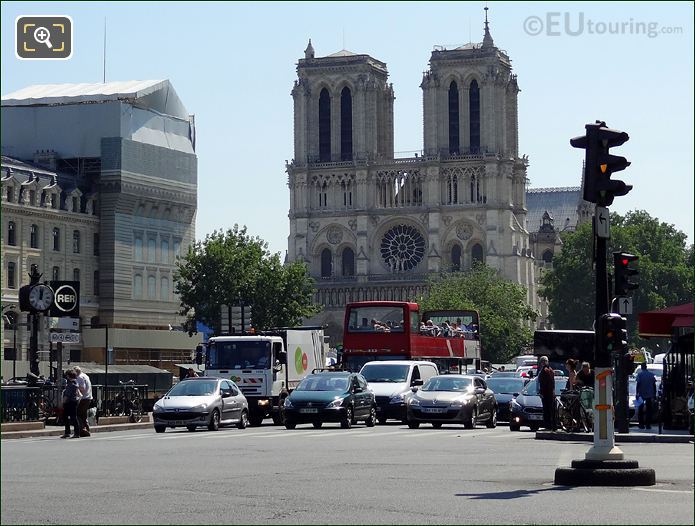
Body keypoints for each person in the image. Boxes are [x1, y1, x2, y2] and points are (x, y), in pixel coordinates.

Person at [636, 362, 657, 429]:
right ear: (646, 367)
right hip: (650, 394)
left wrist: (637, 393)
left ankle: (641, 424)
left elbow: (638, 385)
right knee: (649, 410)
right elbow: (654, 385)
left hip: (641, 394)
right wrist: (654, 394)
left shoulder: (639, 375)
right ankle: (648, 425)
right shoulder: (651, 375)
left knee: (640, 410)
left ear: (642, 367)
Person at [537, 356, 556, 431]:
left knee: (547, 410)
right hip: (550, 392)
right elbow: (552, 383)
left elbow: (544, 383)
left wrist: (541, 392)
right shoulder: (550, 370)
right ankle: (551, 425)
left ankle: (548, 425)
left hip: (546, 393)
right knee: (550, 409)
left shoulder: (545, 370)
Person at [73, 366, 93, 437]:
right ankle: (87, 429)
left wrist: (75, 387)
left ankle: (82, 429)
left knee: (77, 414)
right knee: (83, 415)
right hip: (88, 397)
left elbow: (82, 388)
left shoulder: (79, 377)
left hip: (83, 398)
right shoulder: (85, 376)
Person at [61, 370, 81, 439]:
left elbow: (67, 395)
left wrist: (63, 402)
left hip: (70, 402)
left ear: (68, 376)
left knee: (71, 417)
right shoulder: (75, 383)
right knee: (69, 417)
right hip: (74, 401)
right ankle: (70, 432)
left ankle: (73, 433)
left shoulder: (71, 384)